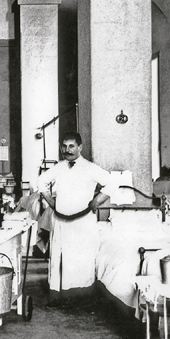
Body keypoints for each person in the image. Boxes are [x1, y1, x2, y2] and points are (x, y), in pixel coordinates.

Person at [37, 131, 116, 309]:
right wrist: (50, 201)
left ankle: (82, 299)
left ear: (80, 147)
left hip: (82, 223)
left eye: (71, 146)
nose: (67, 150)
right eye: (64, 146)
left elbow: (112, 183)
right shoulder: (59, 167)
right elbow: (41, 181)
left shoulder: (90, 167)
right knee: (58, 258)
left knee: (81, 259)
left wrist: (97, 200)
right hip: (60, 221)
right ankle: (58, 297)